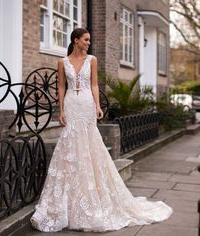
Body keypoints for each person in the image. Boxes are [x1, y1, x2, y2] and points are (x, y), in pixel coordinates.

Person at [30, 28, 172, 232]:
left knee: (89, 146)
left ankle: (92, 196)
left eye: (89, 40)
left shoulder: (92, 60)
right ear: (76, 40)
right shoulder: (62, 62)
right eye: (85, 39)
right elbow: (61, 87)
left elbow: (94, 84)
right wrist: (60, 109)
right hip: (71, 104)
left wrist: (97, 105)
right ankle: (67, 203)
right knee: (70, 146)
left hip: (87, 104)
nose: (88, 42)